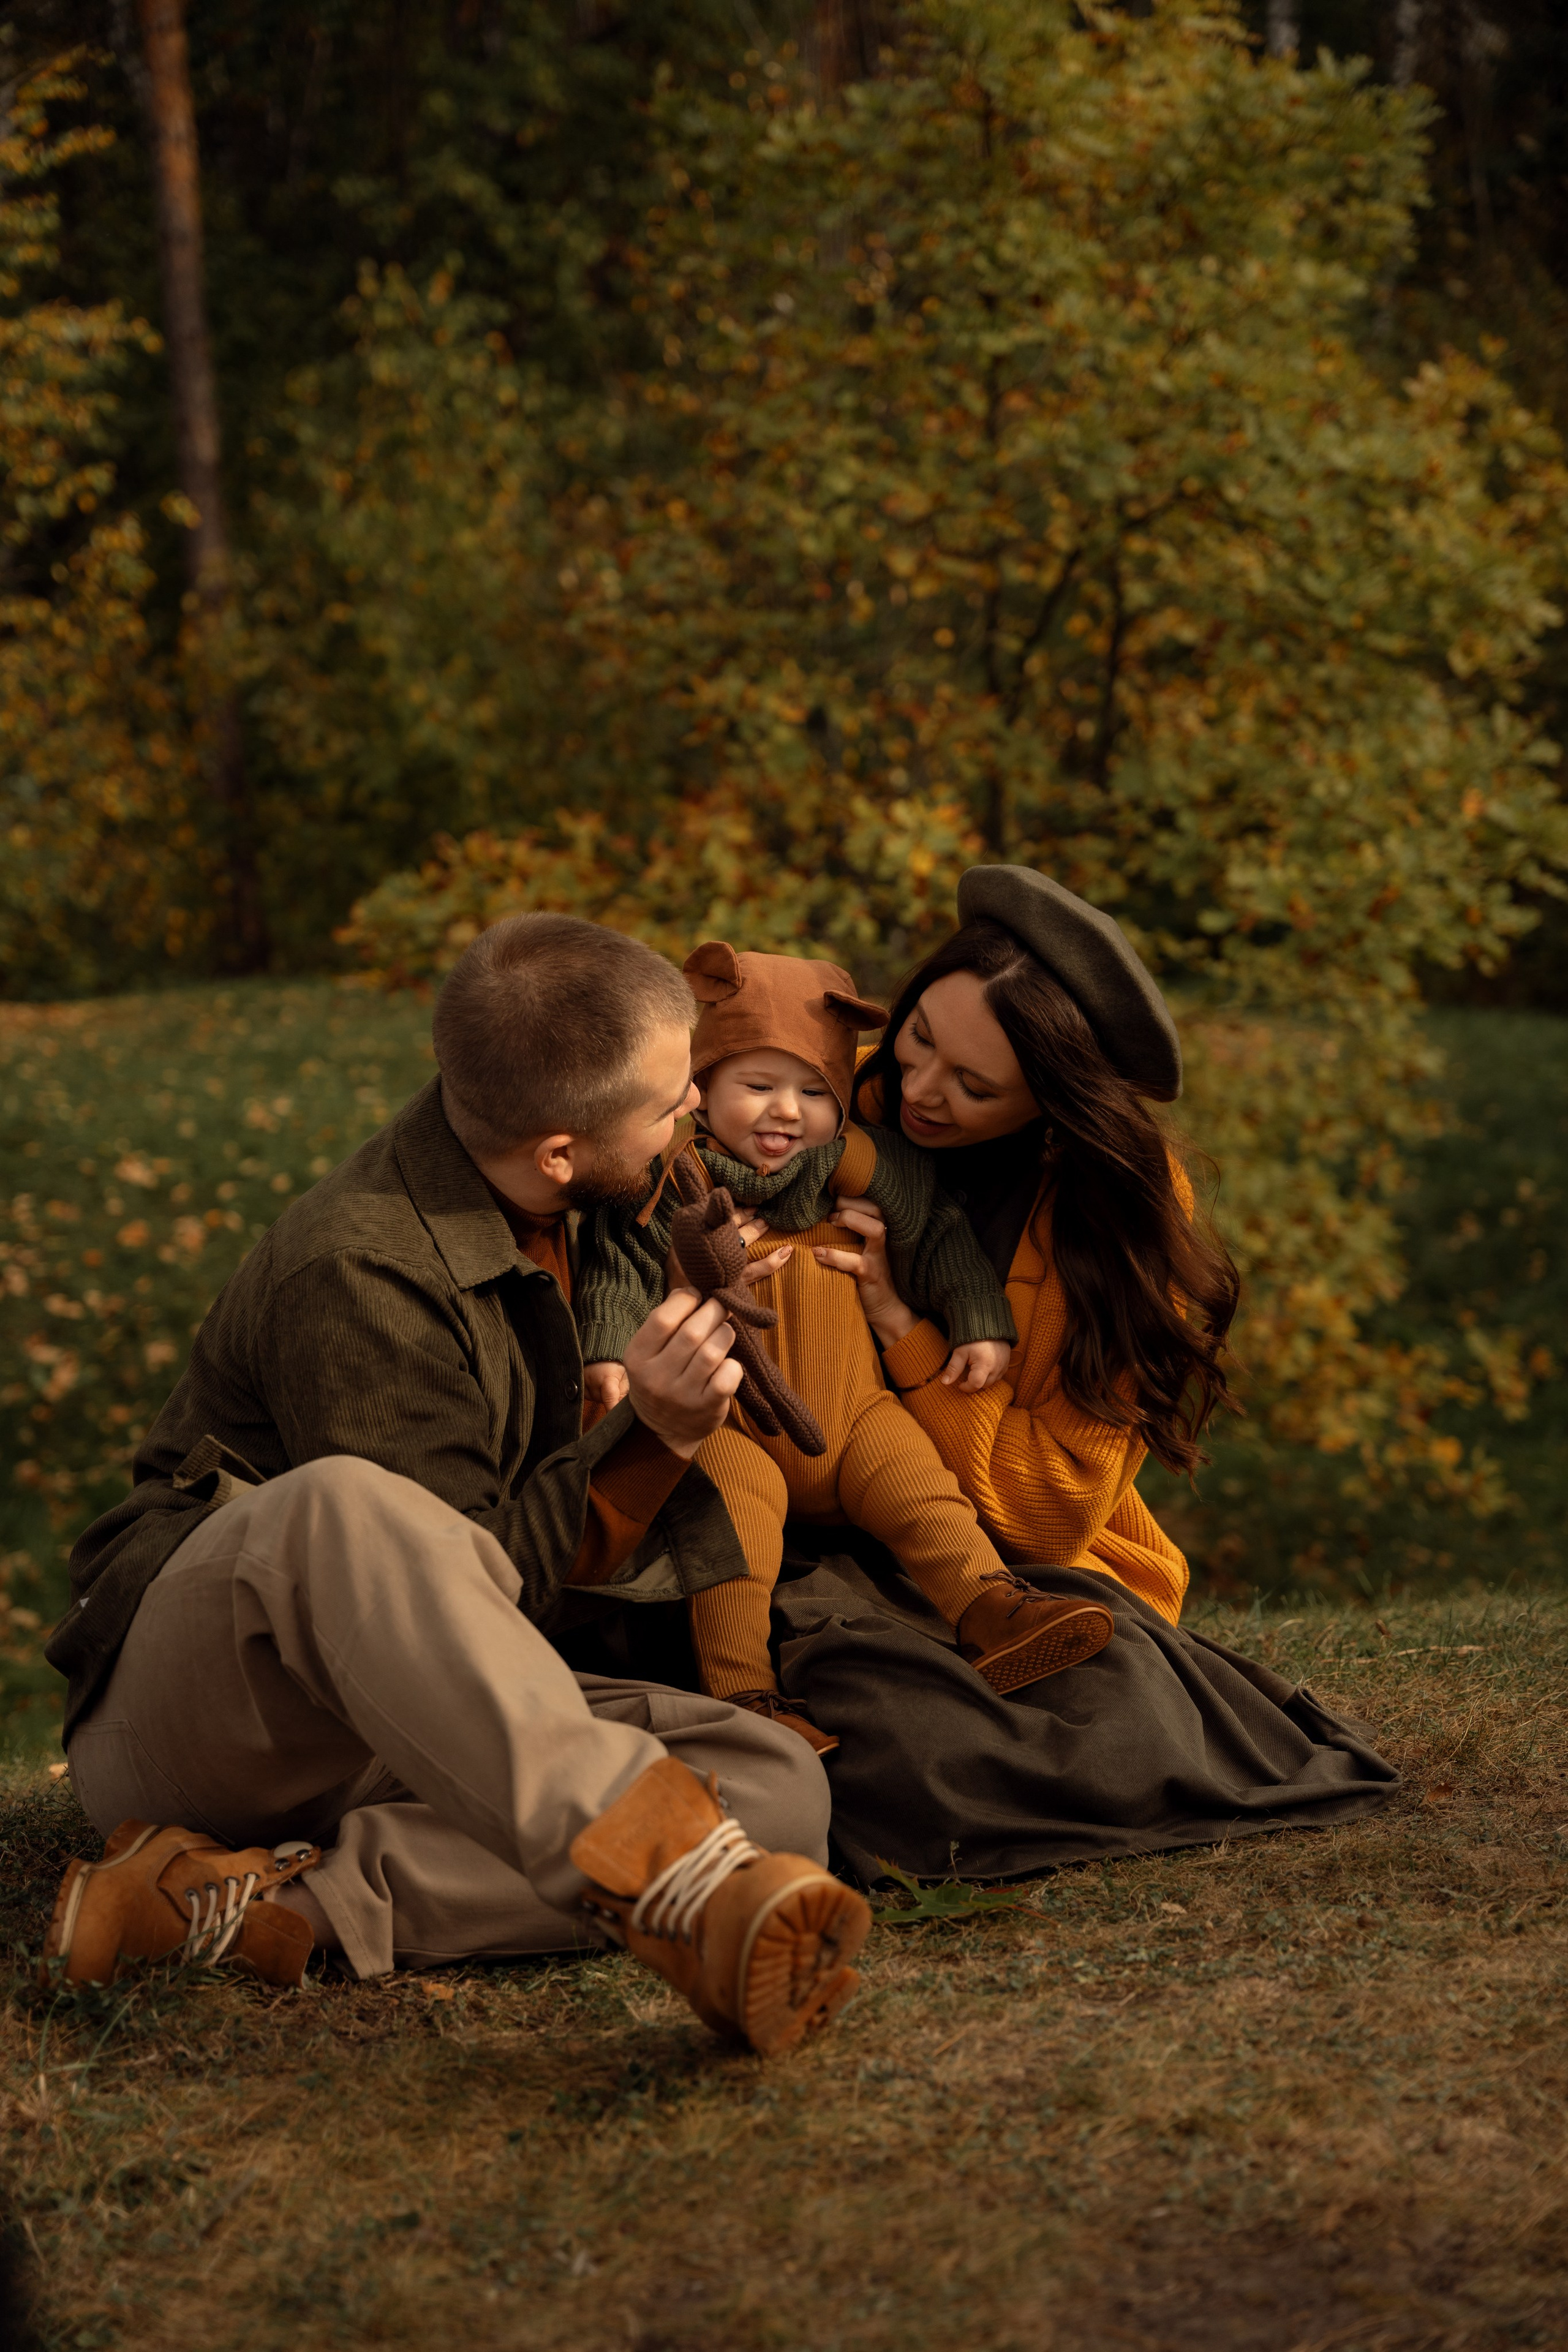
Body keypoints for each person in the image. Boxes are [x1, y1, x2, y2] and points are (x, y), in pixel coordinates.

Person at [40, 915, 869, 2056]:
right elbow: (471, 1588)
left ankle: (234, 1913)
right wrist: (653, 1437)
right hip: (212, 1709)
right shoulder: (360, 1270)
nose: (697, 1115)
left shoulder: (589, 1197)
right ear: (560, 1152)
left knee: (777, 1793)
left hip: (408, 1706)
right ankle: (680, 1889)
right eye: (675, 1100)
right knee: (349, 1506)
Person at [767, 865, 1399, 1881]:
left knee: (965, 1737)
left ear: (1053, 1101)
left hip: (1008, 1555)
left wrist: (902, 1330)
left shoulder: (1122, 1218)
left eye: (976, 1087)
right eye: (920, 1038)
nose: (922, 1089)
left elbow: (1052, 1507)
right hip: (791, 1501)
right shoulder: (825, 1099)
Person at [575, 943, 1115, 1755]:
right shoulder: (668, 1177)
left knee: (920, 1492)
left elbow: (938, 1233)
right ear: (703, 1086)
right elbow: (615, 1266)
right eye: (755, 1087)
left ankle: (991, 1609)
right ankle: (745, 1695)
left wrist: (976, 1315)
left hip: (857, 1412)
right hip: (733, 1426)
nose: (784, 1112)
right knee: (736, 1546)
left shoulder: (865, 1162)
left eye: (811, 1093)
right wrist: (610, 1357)